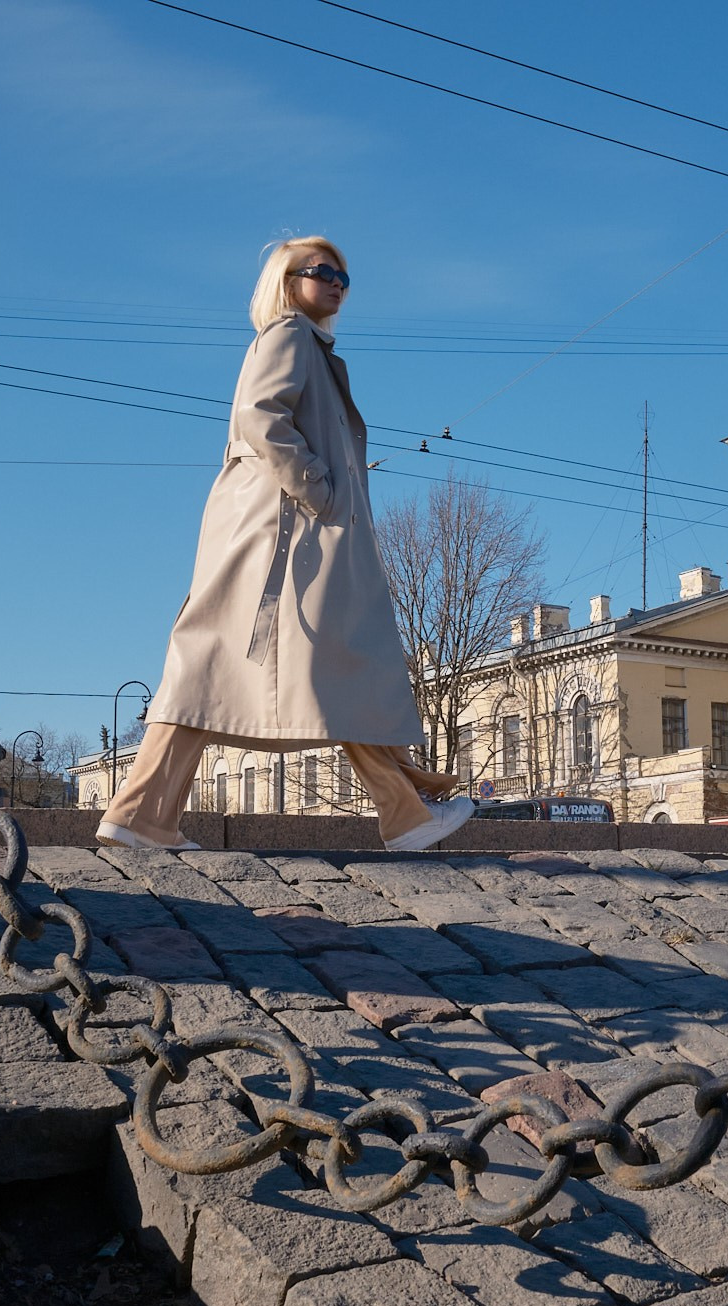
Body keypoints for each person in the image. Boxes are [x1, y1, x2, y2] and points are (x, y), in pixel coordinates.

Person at [98, 236, 473, 853]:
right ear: (286, 278)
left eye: (344, 277)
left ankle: (143, 815)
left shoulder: (308, 345)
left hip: (284, 532)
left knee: (305, 661)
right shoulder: (289, 335)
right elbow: (260, 417)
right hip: (277, 535)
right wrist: (319, 490)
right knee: (241, 663)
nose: (336, 284)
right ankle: (404, 813)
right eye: (321, 271)